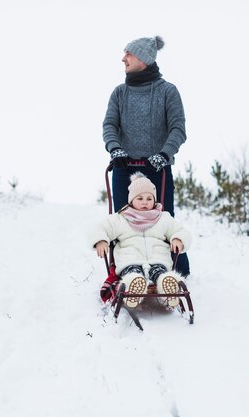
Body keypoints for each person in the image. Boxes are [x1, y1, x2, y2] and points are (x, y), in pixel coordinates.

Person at [102, 35, 191, 276]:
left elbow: (178, 129)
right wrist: (115, 148)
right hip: (124, 166)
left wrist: (164, 154)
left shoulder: (168, 92)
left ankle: (173, 273)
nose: (123, 58)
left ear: (143, 58)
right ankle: (125, 272)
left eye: (128, 54)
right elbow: (109, 125)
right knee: (123, 224)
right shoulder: (119, 93)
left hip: (157, 168)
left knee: (162, 222)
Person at [91, 173, 192, 308]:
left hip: (158, 260)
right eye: (140, 198)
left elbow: (180, 230)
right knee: (133, 273)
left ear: (154, 200)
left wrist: (178, 239)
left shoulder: (163, 218)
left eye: (149, 198)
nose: (145, 202)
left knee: (160, 273)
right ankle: (133, 287)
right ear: (131, 200)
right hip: (129, 260)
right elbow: (101, 228)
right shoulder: (121, 218)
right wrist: (101, 241)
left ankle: (168, 287)